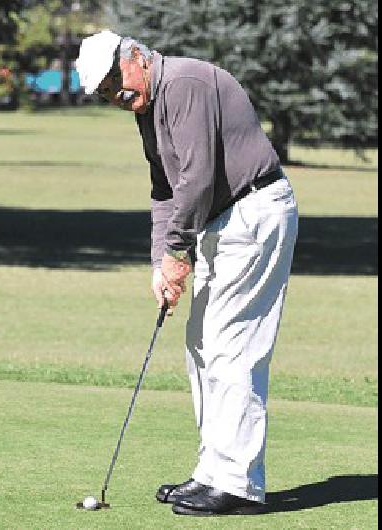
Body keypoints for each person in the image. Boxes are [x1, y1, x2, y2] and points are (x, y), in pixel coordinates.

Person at [75, 30, 298, 516]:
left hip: (254, 211)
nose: (117, 96)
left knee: (232, 346)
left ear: (135, 57)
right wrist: (162, 262)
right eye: (105, 93)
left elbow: (196, 178)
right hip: (222, 221)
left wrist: (179, 251)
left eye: (116, 81)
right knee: (202, 345)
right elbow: (164, 189)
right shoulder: (148, 107)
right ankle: (214, 472)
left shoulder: (185, 82)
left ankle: (238, 485)